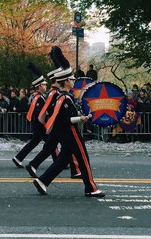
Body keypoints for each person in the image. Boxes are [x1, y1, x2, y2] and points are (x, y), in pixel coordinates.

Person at [32, 47, 105, 198]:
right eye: (71, 79)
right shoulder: (64, 98)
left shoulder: (62, 96)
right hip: (70, 131)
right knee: (83, 158)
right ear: (65, 81)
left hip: (64, 132)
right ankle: (90, 188)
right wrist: (82, 118)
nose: (74, 82)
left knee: (64, 158)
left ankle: (43, 181)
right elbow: (66, 119)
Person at [12, 62, 48, 167]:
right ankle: (59, 161)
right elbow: (39, 112)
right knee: (50, 144)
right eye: (44, 84)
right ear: (40, 86)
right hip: (40, 124)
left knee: (35, 143)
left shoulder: (37, 96)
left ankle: (18, 158)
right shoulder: (38, 97)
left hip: (38, 124)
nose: (46, 86)